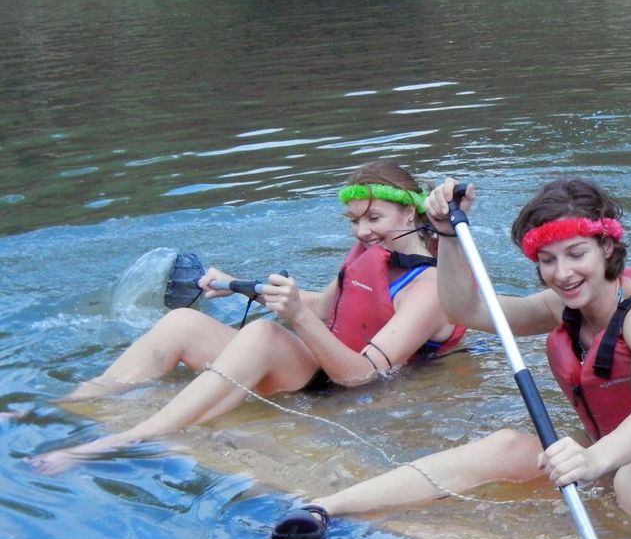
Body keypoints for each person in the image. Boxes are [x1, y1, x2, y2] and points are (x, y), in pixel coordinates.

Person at [271, 177, 631, 539]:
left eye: (576, 254)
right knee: (510, 445)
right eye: (547, 260)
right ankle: (325, 508)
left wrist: (591, 460)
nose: (562, 274)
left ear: (607, 247)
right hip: (608, 459)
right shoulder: (561, 306)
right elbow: (465, 310)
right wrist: (447, 236)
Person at [29, 161, 465, 475]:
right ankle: (69, 405)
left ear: (409, 212)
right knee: (184, 322)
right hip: (324, 371)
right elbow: (326, 308)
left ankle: (129, 438)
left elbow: (362, 377)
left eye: (374, 218)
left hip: (353, 396)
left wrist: (293, 317)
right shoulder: (370, 257)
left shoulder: (428, 288)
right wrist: (238, 283)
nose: (362, 231)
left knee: (262, 335)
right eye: (354, 221)